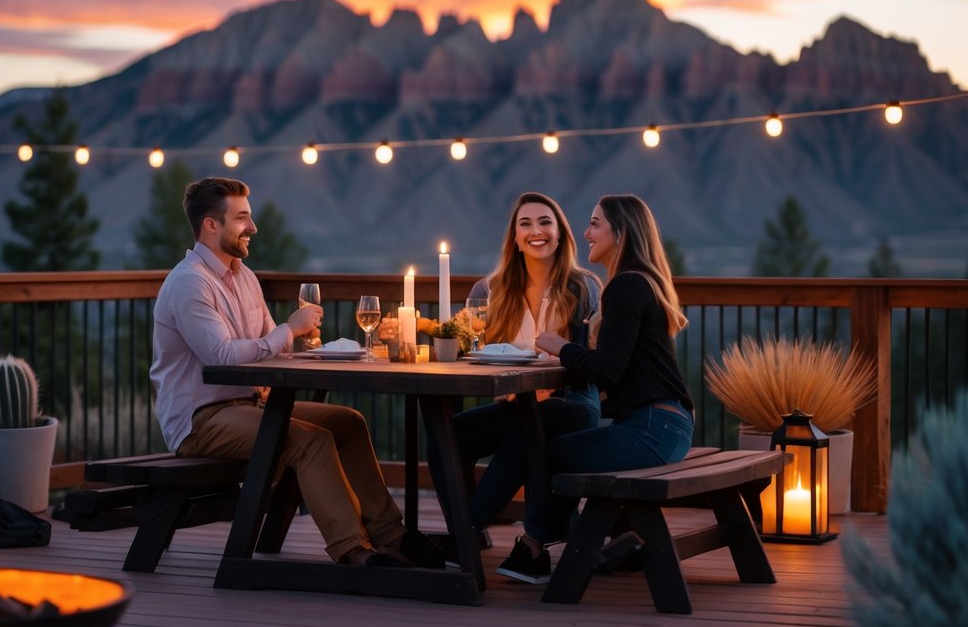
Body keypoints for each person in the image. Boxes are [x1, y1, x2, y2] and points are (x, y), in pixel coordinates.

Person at [150, 177, 443, 568]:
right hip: (200, 420)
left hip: (250, 405)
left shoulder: (244, 278)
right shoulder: (190, 283)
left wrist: (309, 345)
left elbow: (270, 344)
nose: (252, 227)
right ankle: (352, 550)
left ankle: (392, 536)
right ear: (211, 225)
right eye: (242, 218)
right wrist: (289, 329)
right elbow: (221, 356)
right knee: (309, 441)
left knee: (347, 422)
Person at [498, 194, 695, 583]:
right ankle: (597, 541)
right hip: (665, 425)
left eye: (595, 224)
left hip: (654, 429)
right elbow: (619, 374)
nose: (585, 233)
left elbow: (607, 372)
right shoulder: (640, 283)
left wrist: (562, 347)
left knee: (548, 451)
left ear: (620, 233)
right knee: (560, 439)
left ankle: (536, 549)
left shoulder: (625, 287)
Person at [428, 191, 602, 554]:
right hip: (517, 403)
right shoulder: (489, 290)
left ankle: (464, 530)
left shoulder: (582, 286)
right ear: (515, 239)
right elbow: (467, 349)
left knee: (530, 426)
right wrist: (431, 333)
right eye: (525, 224)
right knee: (447, 435)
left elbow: (590, 359)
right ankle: (467, 533)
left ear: (560, 234)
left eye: (544, 222)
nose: (535, 231)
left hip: (572, 400)